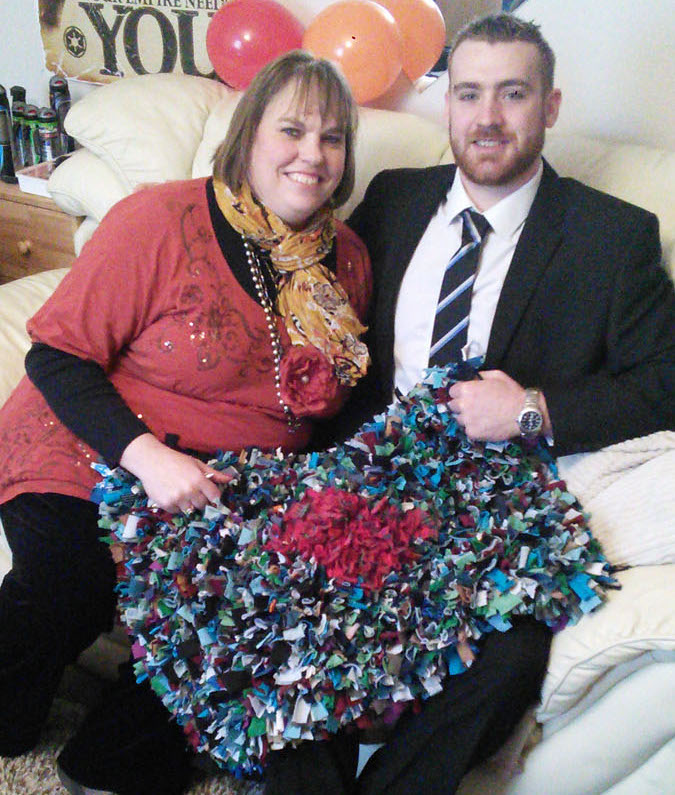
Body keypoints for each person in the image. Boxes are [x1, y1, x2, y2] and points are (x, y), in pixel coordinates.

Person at [263, 12, 675, 795]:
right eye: (468, 94)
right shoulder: (393, 198)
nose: (487, 117)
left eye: (512, 94)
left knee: (511, 655)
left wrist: (530, 410)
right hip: (364, 480)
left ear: (549, 106)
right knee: (298, 607)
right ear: (447, 104)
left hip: (489, 509)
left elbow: (663, 381)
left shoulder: (611, 236)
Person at [0, 50, 371, 794]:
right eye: (291, 130)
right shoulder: (160, 218)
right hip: (94, 446)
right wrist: (146, 458)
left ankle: (105, 762)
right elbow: (58, 356)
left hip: (230, 485)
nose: (312, 154)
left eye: (331, 138)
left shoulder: (348, 263)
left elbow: (341, 403)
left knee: (258, 595)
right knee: (74, 576)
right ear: (248, 134)